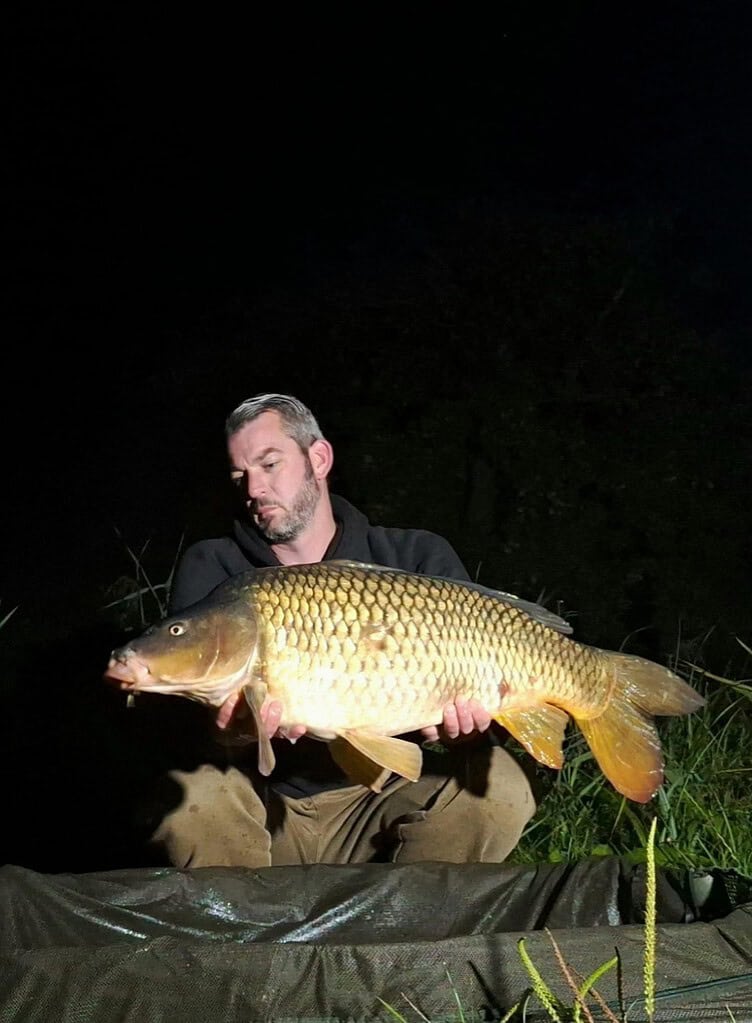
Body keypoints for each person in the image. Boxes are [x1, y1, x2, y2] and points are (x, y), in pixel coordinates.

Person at [147, 393, 536, 868]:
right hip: (261, 813)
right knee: (188, 799)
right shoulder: (215, 568)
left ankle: (406, 930)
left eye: (270, 464)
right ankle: (248, 936)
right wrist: (232, 733)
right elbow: (179, 731)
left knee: (500, 791)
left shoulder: (414, 557)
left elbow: (474, 723)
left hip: (383, 808)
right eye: (239, 475)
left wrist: (460, 732)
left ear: (319, 458)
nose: (254, 488)